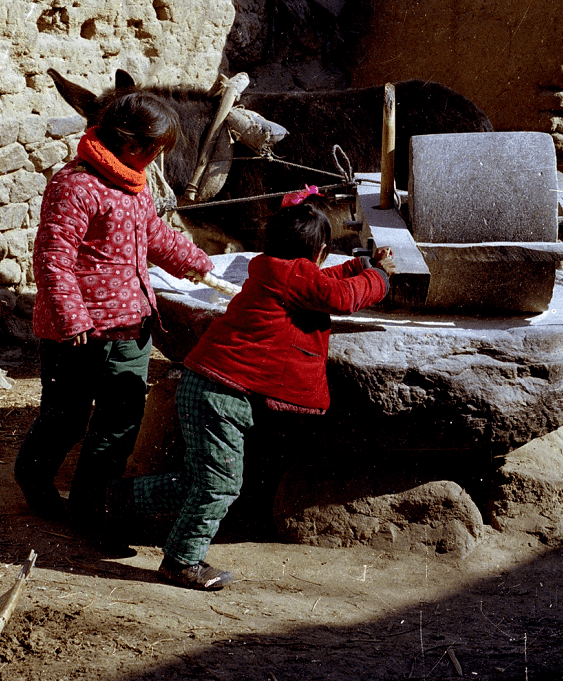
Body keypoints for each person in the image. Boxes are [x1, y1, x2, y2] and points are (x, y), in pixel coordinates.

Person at [116, 188, 391, 589]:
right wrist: (379, 276)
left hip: (206, 387)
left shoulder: (271, 268)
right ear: (318, 252)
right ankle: (181, 561)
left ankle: (114, 503)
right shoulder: (297, 277)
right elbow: (342, 298)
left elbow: (321, 282)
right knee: (220, 485)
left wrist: (356, 267)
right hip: (219, 396)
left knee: (198, 482)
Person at [14, 90, 213, 536]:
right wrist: (73, 318)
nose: (157, 158)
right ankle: (34, 478)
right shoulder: (75, 186)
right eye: (156, 150)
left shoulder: (134, 186)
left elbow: (155, 235)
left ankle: (91, 504)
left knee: (120, 421)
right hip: (78, 334)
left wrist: (196, 263)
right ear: (133, 146)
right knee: (64, 418)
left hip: (131, 327)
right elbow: (52, 257)